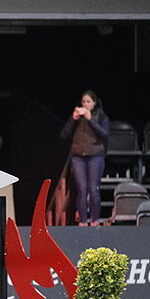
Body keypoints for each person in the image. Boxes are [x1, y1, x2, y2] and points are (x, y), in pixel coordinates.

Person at [60, 89, 110, 227]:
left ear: (94, 103)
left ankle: (95, 220)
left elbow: (104, 134)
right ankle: (83, 221)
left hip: (95, 155)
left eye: (88, 101)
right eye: (83, 102)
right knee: (81, 190)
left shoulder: (101, 116)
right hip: (78, 156)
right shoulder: (78, 118)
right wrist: (73, 119)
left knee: (93, 189)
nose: (85, 104)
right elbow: (64, 134)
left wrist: (90, 120)